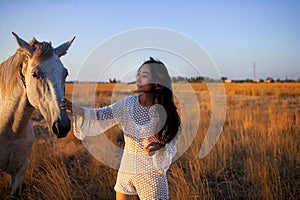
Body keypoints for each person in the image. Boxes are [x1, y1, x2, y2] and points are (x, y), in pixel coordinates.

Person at [60, 57, 181, 200]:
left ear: (158, 83)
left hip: (151, 179)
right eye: (138, 74)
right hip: (126, 174)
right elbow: (101, 115)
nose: (138, 78)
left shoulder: (165, 112)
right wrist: (76, 109)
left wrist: (160, 147)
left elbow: (171, 143)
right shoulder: (127, 104)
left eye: (144, 75)